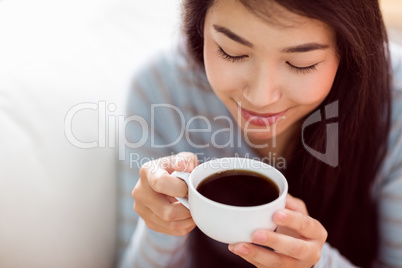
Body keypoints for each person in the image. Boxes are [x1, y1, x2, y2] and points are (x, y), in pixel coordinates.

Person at [118, 0, 402, 267]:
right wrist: (161, 224)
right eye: (232, 52)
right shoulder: (162, 88)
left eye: (300, 63)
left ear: (348, 52)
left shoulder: (395, 103)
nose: (261, 97)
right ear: (199, 27)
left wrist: (318, 263)